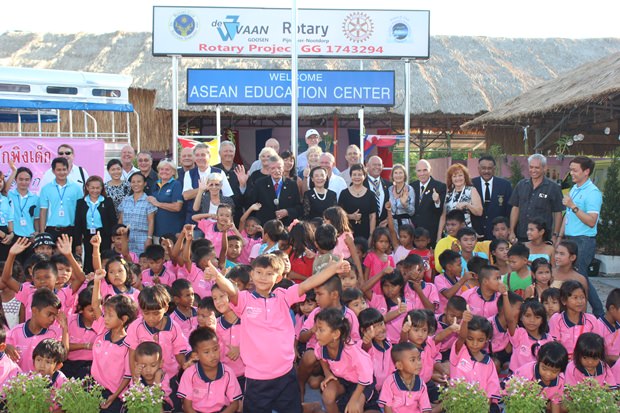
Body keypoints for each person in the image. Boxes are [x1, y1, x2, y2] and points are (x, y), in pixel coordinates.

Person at [559, 156, 605, 318]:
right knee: (576, 276)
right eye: (570, 169)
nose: (571, 173)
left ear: (586, 172)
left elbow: (592, 221)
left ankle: (597, 313)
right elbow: (568, 215)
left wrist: (573, 206)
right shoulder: (574, 188)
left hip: (584, 240)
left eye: (575, 170)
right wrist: (559, 237)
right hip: (570, 239)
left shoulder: (593, 193)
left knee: (581, 277)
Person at [509, 154, 563, 244]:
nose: (533, 170)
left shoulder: (553, 187)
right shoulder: (521, 185)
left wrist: (555, 236)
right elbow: (515, 208)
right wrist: (511, 231)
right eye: (531, 167)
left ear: (544, 168)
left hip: (542, 238)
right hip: (521, 235)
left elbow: (558, 213)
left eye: (537, 168)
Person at [75, 176, 117, 273]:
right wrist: (77, 243)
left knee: (105, 261)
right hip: (88, 236)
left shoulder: (107, 202)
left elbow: (113, 222)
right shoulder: (81, 203)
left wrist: (113, 240)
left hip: (104, 236)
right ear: (87, 187)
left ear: (102, 188)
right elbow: (78, 224)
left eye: (97, 188)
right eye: (92, 188)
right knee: (89, 262)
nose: (95, 190)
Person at [182, 143, 233, 224]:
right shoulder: (189, 174)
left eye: (203, 155)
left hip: (216, 221)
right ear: (194, 158)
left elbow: (228, 196)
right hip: (195, 220)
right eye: (197, 155)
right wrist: (203, 188)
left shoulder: (219, 172)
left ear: (209, 156)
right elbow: (186, 196)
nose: (200, 158)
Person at [244, 156, 301, 227]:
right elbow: (250, 202)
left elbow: (298, 207)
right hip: (265, 226)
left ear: (283, 168)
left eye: (279, 168)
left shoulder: (292, 184)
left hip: (285, 227)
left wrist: (287, 212)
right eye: (273, 168)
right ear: (268, 169)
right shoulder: (260, 183)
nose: (276, 171)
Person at [39, 157, 83, 246]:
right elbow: (43, 211)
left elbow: (80, 211)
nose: (62, 172)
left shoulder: (77, 188)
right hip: (52, 230)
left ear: (68, 170)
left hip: (71, 230)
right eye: (58, 170)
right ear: (53, 171)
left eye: (64, 169)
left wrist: (80, 232)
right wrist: (42, 232)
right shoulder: (46, 189)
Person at [437, 163, 483, 241]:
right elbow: (443, 216)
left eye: (460, 175)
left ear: (465, 177)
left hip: (466, 234)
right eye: (454, 176)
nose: (457, 178)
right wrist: (438, 236)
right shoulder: (448, 194)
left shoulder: (471, 190)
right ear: (450, 179)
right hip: (449, 234)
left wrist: (467, 205)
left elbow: (479, 212)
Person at [472, 155, 512, 240]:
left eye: (489, 168)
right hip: (475, 235)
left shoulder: (505, 185)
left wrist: (510, 231)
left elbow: (509, 211)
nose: (486, 171)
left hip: (498, 236)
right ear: (478, 168)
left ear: (494, 169)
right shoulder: (471, 184)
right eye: (483, 168)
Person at [118, 173, 157, 254]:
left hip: (142, 237)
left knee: (142, 263)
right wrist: (119, 237)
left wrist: (149, 238)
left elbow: (151, 221)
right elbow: (121, 220)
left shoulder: (149, 200)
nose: (136, 184)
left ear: (145, 183)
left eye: (139, 181)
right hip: (126, 237)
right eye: (133, 182)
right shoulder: (125, 200)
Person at [411, 160, 446, 246]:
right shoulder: (411, 186)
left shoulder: (439, 186)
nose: (422, 173)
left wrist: (437, 201)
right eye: (419, 171)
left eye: (425, 170)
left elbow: (440, 212)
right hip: (414, 235)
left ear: (430, 170)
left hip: (431, 235)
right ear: (416, 172)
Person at [338, 164, 377, 240]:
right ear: (350, 176)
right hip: (347, 233)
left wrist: (371, 235)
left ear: (364, 176)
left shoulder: (370, 194)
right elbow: (339, 214)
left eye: (360, 175)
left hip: (365, 232)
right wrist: (351, 216)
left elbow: (373, 216)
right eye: (354, 174)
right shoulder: (344, 193)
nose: (357, 177)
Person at [148, 159, 184, 240]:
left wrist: (158, 203)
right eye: (161, 169)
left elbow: (177, 207)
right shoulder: (155, 184)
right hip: (156, 230)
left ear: (174, 172)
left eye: (167, 169)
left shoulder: (176, 184)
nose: (164, 171)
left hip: (171, 231)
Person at [214, 140, 245, 223]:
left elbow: (246, 193)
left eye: (231, 151)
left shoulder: (240, 169)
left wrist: (243, 185)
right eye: (225, 151)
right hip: (217, 213)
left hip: (237, 212)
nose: (228, 153)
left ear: (234, 153)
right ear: (219, 153)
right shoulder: (214, 170)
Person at [387, 163, 415, 233]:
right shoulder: (389, 189)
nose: (398, 175)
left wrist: (405, 204)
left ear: (404, 175)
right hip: (392, 226)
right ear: (392, 176)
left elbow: (412, 212)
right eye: (396, 173)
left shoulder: (409, 189)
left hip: (406, 226)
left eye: (400, 173)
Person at [364, 156, 391, 224]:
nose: (377, 167)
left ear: (382, 166)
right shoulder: (361, 184)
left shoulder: (389, 185)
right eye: (374, 165)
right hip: (366, 226)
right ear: (367, 165)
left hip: (384, 227)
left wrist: (388, 220)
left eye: (379, 165)